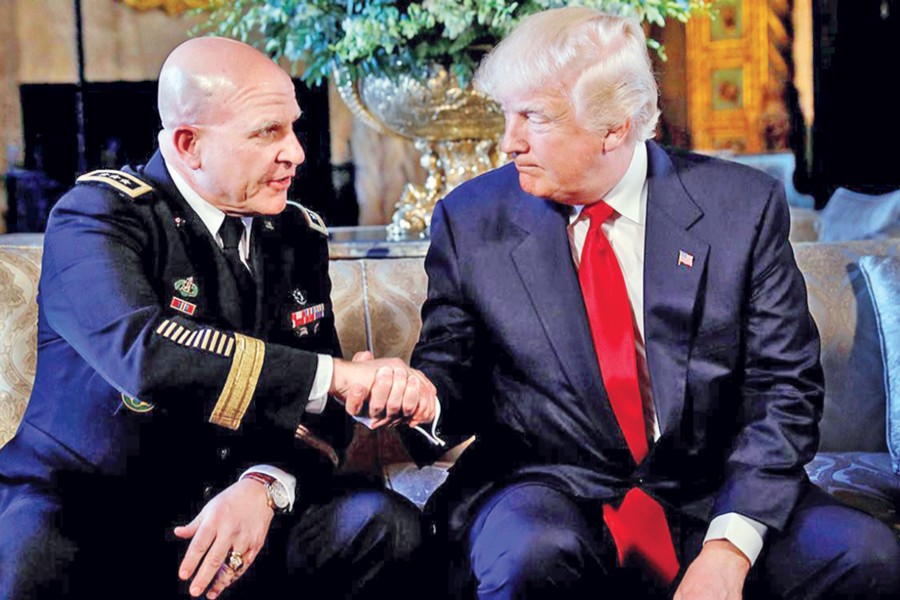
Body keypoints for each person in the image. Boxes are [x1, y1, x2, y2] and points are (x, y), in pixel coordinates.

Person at [408, 7, 900, 599]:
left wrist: (729, 546)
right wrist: (413, 398)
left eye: (532, 118)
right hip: (547, 489)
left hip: (713, 487)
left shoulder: (740, 208)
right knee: (528, 557)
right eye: (507, 115)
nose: (508, 142)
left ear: (614, 126)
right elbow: (447, 378)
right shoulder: (470, 220)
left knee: (865, 557)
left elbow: (784, 389)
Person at [0, 37, 434, 600]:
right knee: (27, 558)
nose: (297, 153)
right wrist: (337, 375)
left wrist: (262, 486)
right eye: (267, 132)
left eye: (295, 128)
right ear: (189, 144)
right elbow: (144, 352)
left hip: (231, 514)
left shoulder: (296, 233)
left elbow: (323, 418)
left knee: (384, 525)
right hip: (88, 512)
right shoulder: (99, 216)